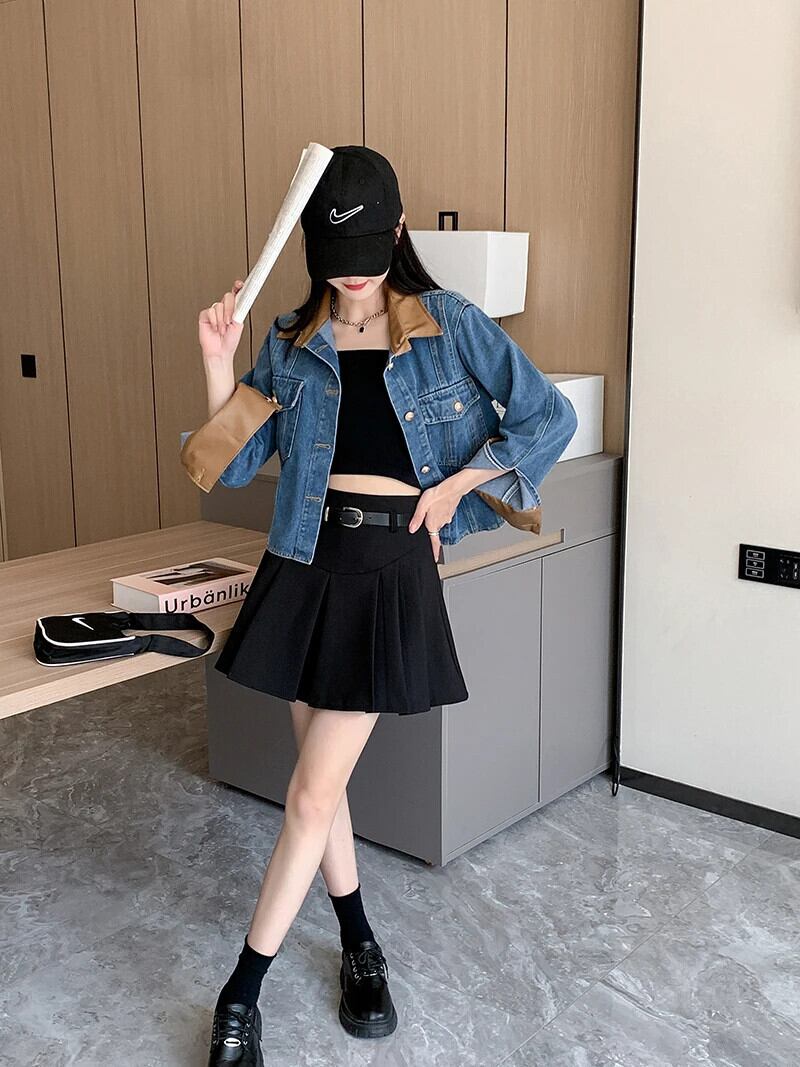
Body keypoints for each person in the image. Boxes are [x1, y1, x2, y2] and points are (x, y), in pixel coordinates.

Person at [194, 146, 578, 1065]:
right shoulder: (293, 338)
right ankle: (361, 944)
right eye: (338, 260)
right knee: (319, 791)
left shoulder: (451, 323)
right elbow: (232, 464)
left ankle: (241, 993)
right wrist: (218, 362)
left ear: (398, 230)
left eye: (368, 252)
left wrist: (455, 489)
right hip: (304, 563)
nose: (354, 275)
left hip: (387, 570)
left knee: (308, 794)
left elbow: (549, 417)